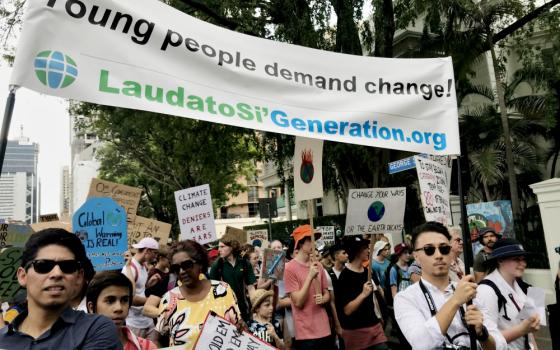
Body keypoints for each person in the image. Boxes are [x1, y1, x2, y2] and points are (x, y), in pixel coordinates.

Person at [0, 228, 121, 349]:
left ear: (79, 277)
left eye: (68, 266)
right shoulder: (3, 339)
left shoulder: (96, 329)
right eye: (43, 265)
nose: (57, 273)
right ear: (22, 276)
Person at [394, 222, 506, 350]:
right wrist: (455, 301)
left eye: (444, 248)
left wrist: (482, 335)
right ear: (416, 256)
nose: (438, 255)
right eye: (429, 249)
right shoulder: (406, 298)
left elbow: (500, 345)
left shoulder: (469, 291)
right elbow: (422, 344)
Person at [155, 240, 242, 348]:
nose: (182, 271)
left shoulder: (223, 290)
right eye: (176, 268)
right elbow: (157, 339)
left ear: (200, 263)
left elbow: (239, 328)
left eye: (187, 265)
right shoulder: (168, 299)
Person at [476, 238, 540, 349]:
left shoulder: (526, 287)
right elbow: (486, 342)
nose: (523, 263)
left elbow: (530, 333)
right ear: (500, 260)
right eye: (516, 259)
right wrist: (521, 329)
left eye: (524, 259)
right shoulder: (486, 290)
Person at [335, 236, 387, 350]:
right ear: (356, 251)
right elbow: (347, 310)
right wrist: (363, 295)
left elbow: (374, 298)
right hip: (356, 333)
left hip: (375, 328)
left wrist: (379, 317)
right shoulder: (344, 278)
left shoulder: (368, 272)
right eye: (365, 248)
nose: (368, 251)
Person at [284, 225, 331, 349]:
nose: (313, 243)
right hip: (306, 334)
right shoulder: (289, 268)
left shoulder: (318, 265)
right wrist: (310, 277)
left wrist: (324, 298)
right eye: (310, 239)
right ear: (300, 243)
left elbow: (327, 294)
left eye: (314, 239)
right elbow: (298, 302)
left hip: (325, 329)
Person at [87, 271, 157, 350]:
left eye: (124, 300)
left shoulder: (146, 347)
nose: (119, 308)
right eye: (110, 301)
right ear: (91, 308)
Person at [209, 234, 256, 322]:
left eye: (222, 247)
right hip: (226, 310)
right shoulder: (217, 265)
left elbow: (251, 287)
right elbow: (212, 291)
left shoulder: (244, 263)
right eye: (219, 247)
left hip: (244, 308)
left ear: (232, 247)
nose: (219, 250)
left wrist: (256, 305)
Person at [121, 237, 160, 341]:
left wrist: (149, 284)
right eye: (155, 253)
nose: (156, 257)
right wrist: (151, 302)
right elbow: (129, 298)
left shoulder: (143, 266)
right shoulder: (129, 269)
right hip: (135, 323)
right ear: (147, 251)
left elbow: (139, 289)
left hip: (147, 319)